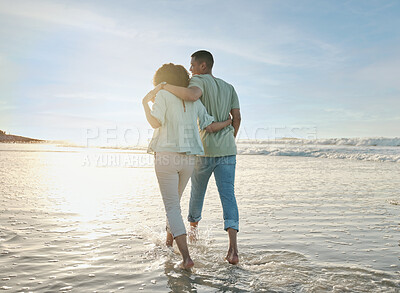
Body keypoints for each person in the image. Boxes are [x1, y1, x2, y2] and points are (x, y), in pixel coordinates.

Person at [154, 51, 241, 265]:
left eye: (192, 65)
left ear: (203, 66)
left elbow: (192, 97)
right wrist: (230, 136)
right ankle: (233, 250)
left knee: (195, 196)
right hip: (228, 149)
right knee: (228, 196)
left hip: (202, 150)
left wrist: (163, 87)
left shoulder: (197, 82)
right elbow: (236, 117)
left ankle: (190, 238)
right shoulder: (229, 87)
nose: (190, 70)